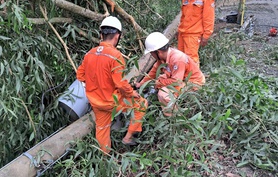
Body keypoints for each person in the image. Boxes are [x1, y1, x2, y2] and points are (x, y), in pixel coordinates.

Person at [76, 16, 148, 154]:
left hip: (96, 102)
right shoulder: (115, 56)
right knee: (142, 104)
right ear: (117, 36)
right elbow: (120, 84)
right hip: (112, 101)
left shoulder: (89, 54)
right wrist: (132, 93)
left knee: (102, 129)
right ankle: (128, 137)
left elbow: (80, 76)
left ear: (101, 35)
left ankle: (104, 158)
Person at [135, 32, 205, 116]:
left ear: (158, 52)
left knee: (163, 94)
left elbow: (177, 82)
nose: (152, 55)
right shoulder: (162, 58)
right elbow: (154, 71)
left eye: (152, 53)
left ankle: (175, 117)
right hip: (181, 78)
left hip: (193, 82)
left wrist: (160, 83)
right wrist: (141, 84)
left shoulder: (177, 59)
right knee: (161, 78)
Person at [177, 0, 215, 67]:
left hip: (193, 35)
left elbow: (208, 19)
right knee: (180, 58)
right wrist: (179, 31)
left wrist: (206, 36)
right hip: (183, 34)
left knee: (191, 60)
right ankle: (182, 79)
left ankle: (194, 81)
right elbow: (183, 17)